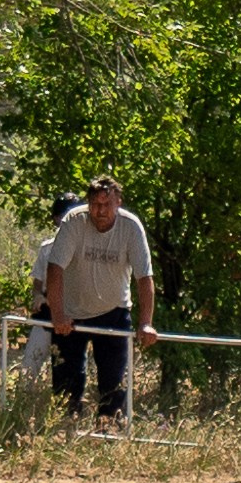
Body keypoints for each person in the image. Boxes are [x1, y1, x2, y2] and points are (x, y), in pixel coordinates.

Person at [46, 177, 157, 426]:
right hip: (71, 314)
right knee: (66, 380)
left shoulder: (131, 227)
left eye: (107, 204)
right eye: (95, 204)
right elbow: (55, 269)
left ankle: (109, 431)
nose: (100, 211)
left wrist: (146, 322)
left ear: (119, 203)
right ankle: (66, 429)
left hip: (113, 312)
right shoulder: (74, 220)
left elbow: (144, 277)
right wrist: (58, 314)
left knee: (113, 381)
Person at [18, 193, 82, 383]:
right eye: (63, 215)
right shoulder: (47, 248)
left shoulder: (87, 251)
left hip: (75, 314)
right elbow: (38, 282)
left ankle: (69, 407)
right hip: (47, 313)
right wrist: (37, 296)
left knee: (68, 368)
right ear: (56, 219)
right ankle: (22, 402)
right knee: (29, 366)